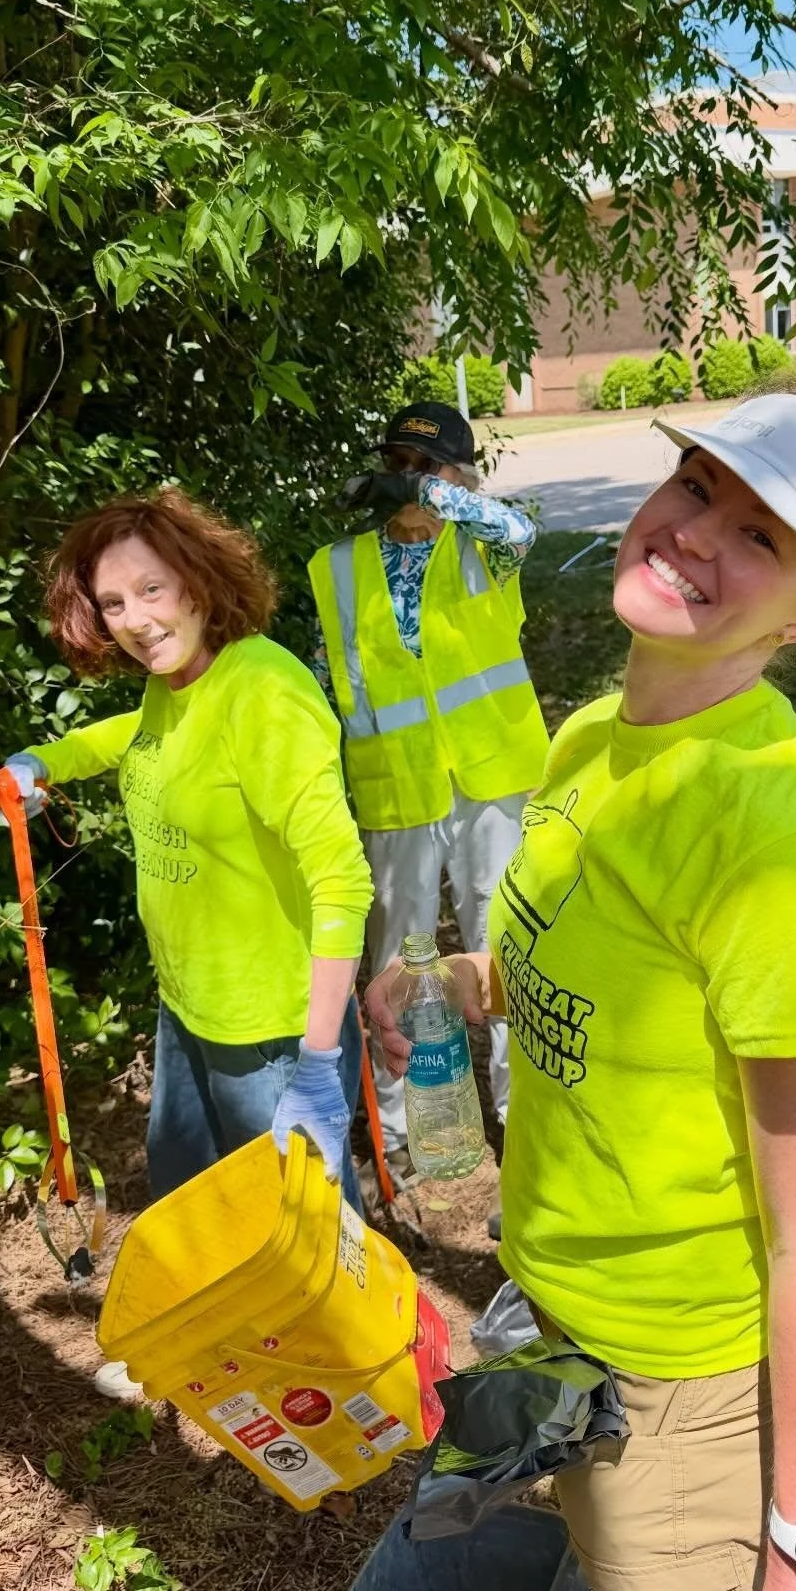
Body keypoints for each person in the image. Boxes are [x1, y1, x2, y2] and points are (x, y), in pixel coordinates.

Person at [368, 393, 796, 1591]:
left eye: (761, 539)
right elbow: (565, 957)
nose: (696, 536)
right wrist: (459, 984)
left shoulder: (774, 841)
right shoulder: (592, 736)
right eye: (696, 489)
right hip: (554, 1308)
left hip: (677, 1381)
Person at [0, 489, 374, 1215]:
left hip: (271, 1033)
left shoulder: (262, 692)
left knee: (303, 1240)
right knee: (198, 1211)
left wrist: (321, 1062)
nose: (135, 620)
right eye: (113, 604)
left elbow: (342, 879)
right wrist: (43, 760)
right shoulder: (178, 684)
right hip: (190, 1006)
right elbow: (140, 735)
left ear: (197, 580)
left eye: (150, 589)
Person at [309, 400, 549, 1182]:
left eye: (426, 465)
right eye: (397, 465)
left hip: (494, 779)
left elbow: (520, 529)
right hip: (396, 791)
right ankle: (405, 1130)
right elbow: (325, 680)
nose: (408, 480)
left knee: (506, 944)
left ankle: (526, 1118)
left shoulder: (487, 546)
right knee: (401, 961)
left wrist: (436, 497)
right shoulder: (335, 566)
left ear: (459, 475)